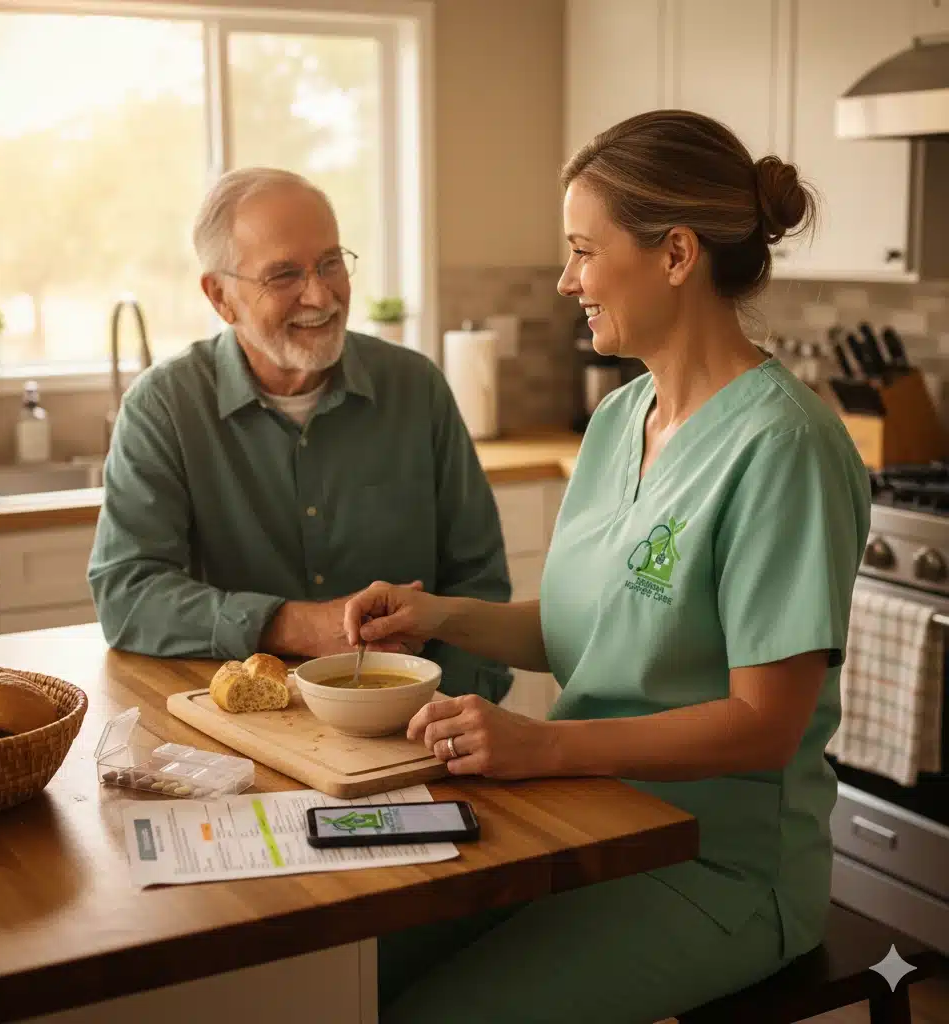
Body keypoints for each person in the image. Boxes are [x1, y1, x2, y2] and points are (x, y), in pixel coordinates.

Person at [342, 110, 871, 1023]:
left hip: (715, 867)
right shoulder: (623, 418)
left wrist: (543, 746)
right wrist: (439, 618)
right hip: (585, 821)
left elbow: (763, 726)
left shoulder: (785, 447)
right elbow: (591, 627)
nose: (565, 280)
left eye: (585, 251)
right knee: (347, 966)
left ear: (675, 255)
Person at [88, 167, 512, 703]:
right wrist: (295, 625)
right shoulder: (164, 407)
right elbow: (128, 595)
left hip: (417, 725)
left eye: (330, 263)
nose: (320, 294)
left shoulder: (416, 387)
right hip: (243, 735)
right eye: (284, 275)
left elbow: (480, 586)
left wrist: (451, 705)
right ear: (220, 297)